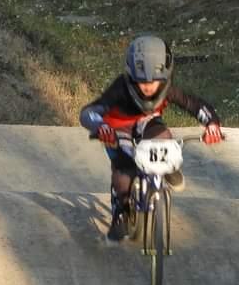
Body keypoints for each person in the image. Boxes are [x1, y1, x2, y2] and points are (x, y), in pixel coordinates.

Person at [79, 33, 224, 241]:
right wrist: (100, 126)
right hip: (118, 129)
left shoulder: (169, 90)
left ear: (165, 77)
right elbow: (89, 112)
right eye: (141, 82)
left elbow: (194, 104)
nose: (148, 87)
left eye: (154, 82)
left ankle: (168, 168)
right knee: (124, 172)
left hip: (148, 125)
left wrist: (212, 124)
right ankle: (121, 209)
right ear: (130, 77)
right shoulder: (120, 88)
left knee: (164, 138)